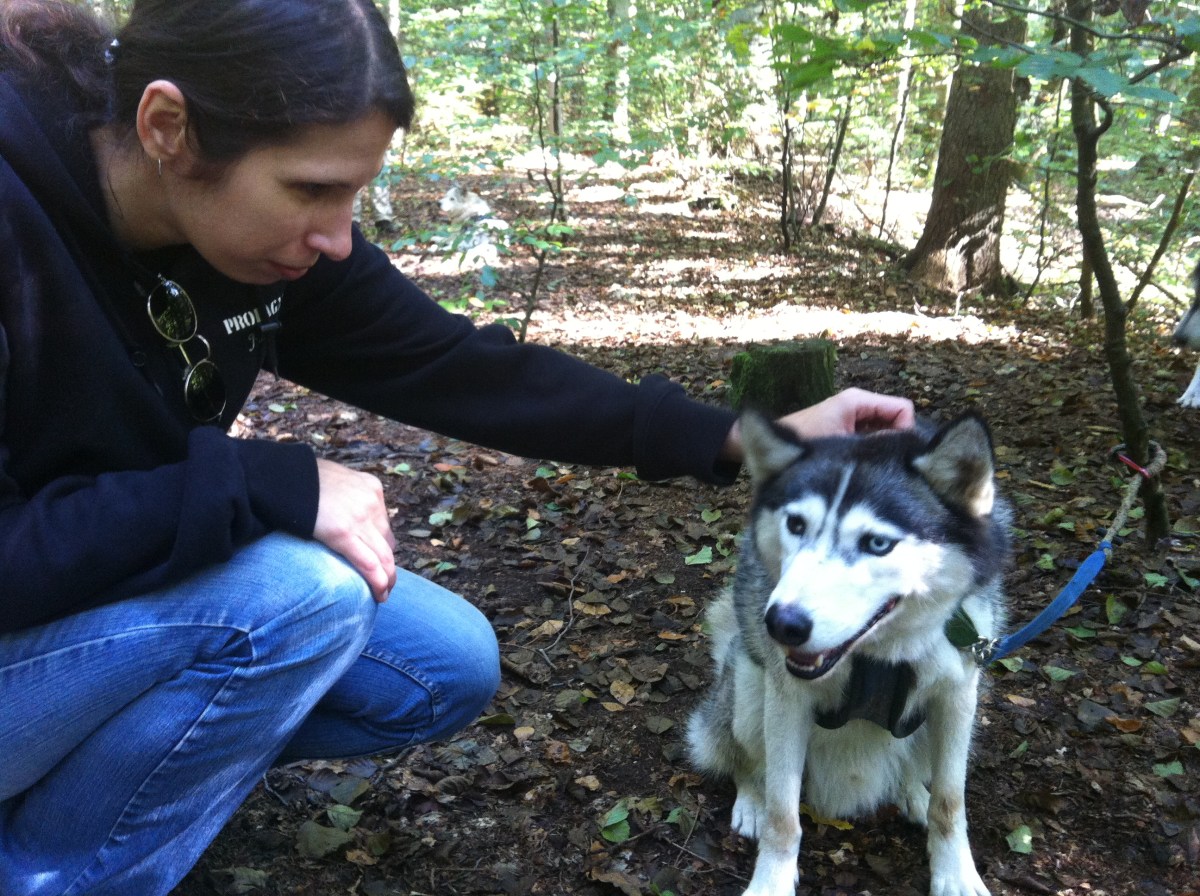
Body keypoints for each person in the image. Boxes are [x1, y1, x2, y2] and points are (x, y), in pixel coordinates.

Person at [0, 1, 916, 894]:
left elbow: (459, 368)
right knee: (298, 601)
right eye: (311, 188)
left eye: (355, 192)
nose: (337, 236)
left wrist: (740, 439)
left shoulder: (269, 246)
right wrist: (254, 479)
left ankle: (86, 780)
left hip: (94, 598)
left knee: (441, 668)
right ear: (169, 127)